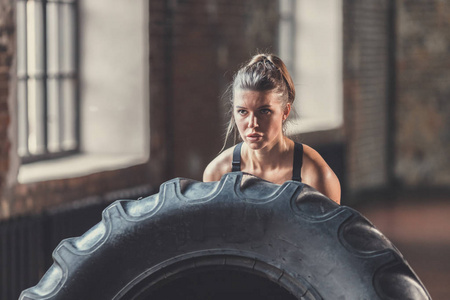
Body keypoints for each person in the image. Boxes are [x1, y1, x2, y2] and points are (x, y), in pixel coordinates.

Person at [203, 53, 341, 204]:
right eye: (242, 111)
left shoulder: (314, 174)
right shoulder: (218, 172)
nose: (252, 123)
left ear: (285, 111)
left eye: (264, 111)